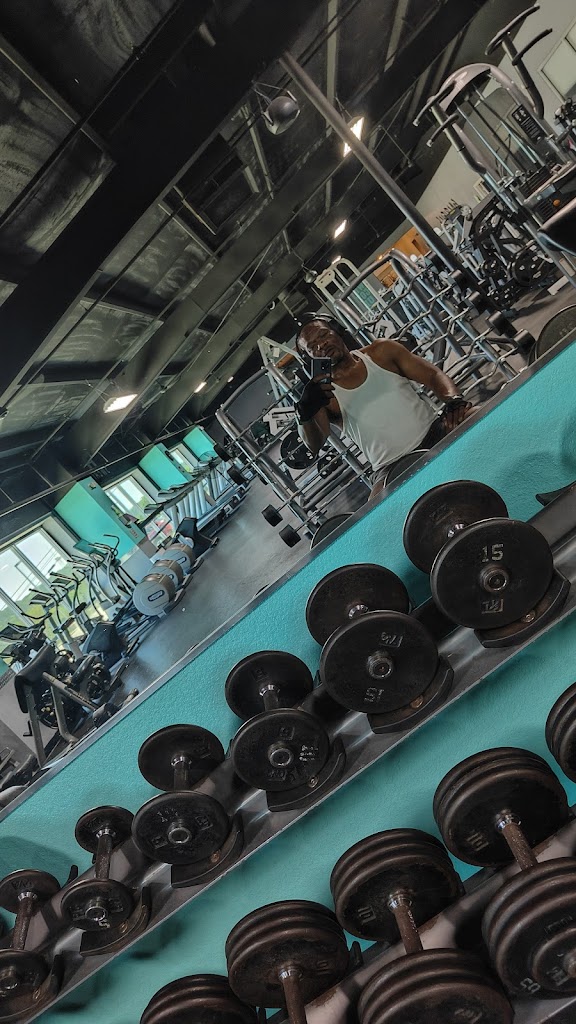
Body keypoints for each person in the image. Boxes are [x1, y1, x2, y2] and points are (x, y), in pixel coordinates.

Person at [294, 314, 473, 497]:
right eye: (312, 347)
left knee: (476, 415)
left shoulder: (381, 353)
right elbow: (314, 444)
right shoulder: (323, 395)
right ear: (309, 358)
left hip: (435, 432)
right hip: (389, 467)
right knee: (378, 508)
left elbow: (433, 376)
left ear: (338, 331)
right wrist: (305, 412)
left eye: (323, 335)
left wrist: (454, 400)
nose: (321, 345)